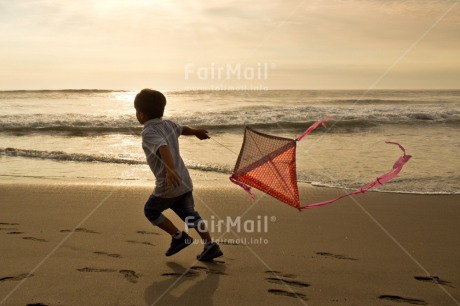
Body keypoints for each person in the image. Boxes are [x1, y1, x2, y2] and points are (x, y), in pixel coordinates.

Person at [134, 88, 223, 261]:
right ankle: (210, 245)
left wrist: (170, 170)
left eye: (137, 112)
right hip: (185, 182)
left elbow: (162, 147)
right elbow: (183, 129)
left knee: (151, 211)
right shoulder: (169, 124)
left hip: (169, 184)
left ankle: (178, 237)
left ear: (141, 114)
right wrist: (196, 131)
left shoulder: (148, 132)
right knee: (190, 215)